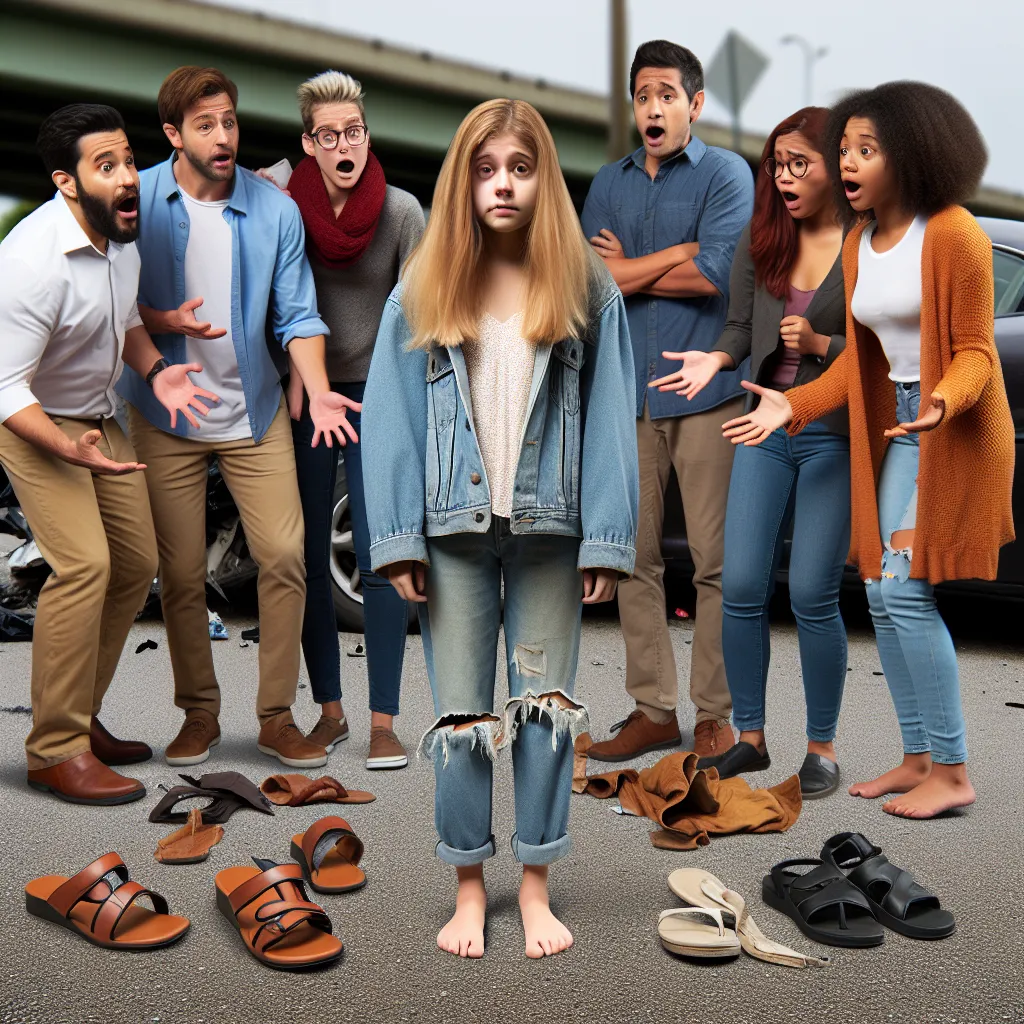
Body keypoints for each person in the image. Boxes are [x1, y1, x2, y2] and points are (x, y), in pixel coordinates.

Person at [363, 99, 638, 958]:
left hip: (552, 533)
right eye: (486, 169)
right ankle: (470, 889)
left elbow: (611, 416)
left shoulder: (586, 288)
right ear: (463, 180)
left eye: (520, 168)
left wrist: (607, 538)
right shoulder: (425, 286)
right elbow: (391, 417)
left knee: (546, 714)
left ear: (543, 178)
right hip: (452, 535)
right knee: (460, 716)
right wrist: (398, 537)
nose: (503, 185)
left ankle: (537, 884)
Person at [722, 81, 1014, 819]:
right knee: (882, 596)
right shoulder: (860, 242)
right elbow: (861, 363)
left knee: (906, 593)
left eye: (865, 150)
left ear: (912, 155)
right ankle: (917, 758)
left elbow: (979, 352)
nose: (846, 163)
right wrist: (795, 400)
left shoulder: (953, 234)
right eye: (843, 149)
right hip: (897, 427)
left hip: (951, 427)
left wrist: (945, 400)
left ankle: (953, 770)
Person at [119, 66, 357, 770]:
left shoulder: (274, 211)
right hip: (164, 415)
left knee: (286, 557)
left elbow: (299, 315)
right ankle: (199, 714)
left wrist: (314, 386)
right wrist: (157, 360)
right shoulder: (138, 205)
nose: (223, 137)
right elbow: (111, 306)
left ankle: (278, 718)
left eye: (229, 121)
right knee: (183, 572)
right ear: (173, 135)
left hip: (251, 413)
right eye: (205, 125)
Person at [0, 103, 218, 803]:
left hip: (100, 415)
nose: (129, 177)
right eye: (107, 165)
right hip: (32, 418)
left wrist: (157, 364)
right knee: (83, 564)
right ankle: (53, 749)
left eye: (129, 160)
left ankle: (79, 712)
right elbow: (3, 385)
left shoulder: (120, 237)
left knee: (136, 563)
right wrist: (67, 448)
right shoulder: (30, 263)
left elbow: (119, 319)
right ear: (67, 181)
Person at [652, 107, 851, 798]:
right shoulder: (761, 239)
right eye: (778, 164)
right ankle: (752, 740)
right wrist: (714, 359)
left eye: (801, 164)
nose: (786, 177)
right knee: (739, 587)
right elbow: (738, 325)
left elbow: (884, 354)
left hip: (831, 430)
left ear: (836, 165)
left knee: (811, 594)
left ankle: (821, 749)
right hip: (761, 427)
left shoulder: (868, 248)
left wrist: (822, 347)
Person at [582, 39, 754, 763]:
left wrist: (632, 267)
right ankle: (653, 709)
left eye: (667, 96)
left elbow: (716, 276)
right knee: (633, 558)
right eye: (643, 96)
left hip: (707, 393)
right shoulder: (606, 183)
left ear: (696, 103)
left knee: (715, 562)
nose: (653, 109)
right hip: (627, 395)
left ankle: (715, 712)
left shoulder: (728, 175)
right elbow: (591, 285)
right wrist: (672, 256)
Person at [261, 70, 425, 770]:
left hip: (379, 393)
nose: (343, 145)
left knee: (383, 553)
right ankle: (328, 713)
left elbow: (421, 318)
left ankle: (383, 720)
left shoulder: (401, 212)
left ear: (366, 136)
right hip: (308, 392)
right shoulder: (280, 201)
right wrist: (294, 375)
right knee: (306, 561)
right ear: (310, 144)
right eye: (328, 136)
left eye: (353, 132)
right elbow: (267, 295)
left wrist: (401, 399)